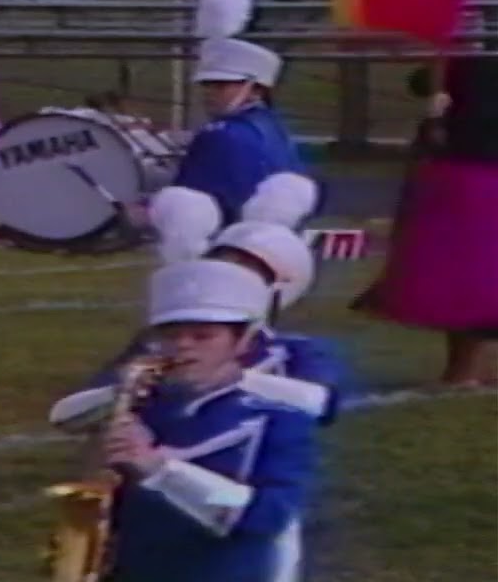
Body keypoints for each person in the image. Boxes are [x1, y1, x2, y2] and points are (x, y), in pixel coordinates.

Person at [65, 259, 318, 582]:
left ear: (243, 341)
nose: (183, 346)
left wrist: (159, 468)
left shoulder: (281, 416)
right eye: (171, 335)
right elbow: (66, 419)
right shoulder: (147, 400)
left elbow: (268, 514)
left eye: (203, 336)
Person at [52, 173, 344, 427]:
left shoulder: (298, 352)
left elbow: (323, 406)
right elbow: (67, 417)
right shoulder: (160, 343)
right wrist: (122, 390)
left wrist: (235, 378)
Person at [354, 56, 498, 385]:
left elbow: (421, 83)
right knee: (472, 279)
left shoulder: (468, 59)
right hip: (465, 170)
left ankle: (464, 371)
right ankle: (465, 370)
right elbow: (423, 83)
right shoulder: (468, 60)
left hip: (464, 172)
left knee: (470, 278)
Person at [172, 37, 308, 224]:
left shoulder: (218, 135)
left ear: (255, 90)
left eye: (221, 85)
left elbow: (186, 202)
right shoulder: (277, 127)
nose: (209, 92)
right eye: (206, 84)